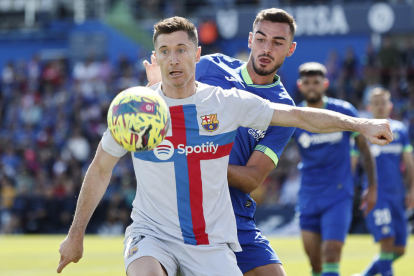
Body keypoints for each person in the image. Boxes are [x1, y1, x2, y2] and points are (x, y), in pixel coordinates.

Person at [58, 17, 392, 276]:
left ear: (197, 55)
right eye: (164, 51)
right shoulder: (134, 111)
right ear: (155, 59)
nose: (173, 59)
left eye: (181, 50)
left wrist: (360, 124)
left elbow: (299, 116)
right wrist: (75, 235)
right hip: (153, 233)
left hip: (211, 242)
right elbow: (101, 168)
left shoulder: (226, 103)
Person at [145, 8, 297, 276]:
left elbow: (252, 178)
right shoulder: (210, 66)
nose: (267, 48)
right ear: (250, 40)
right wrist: (156, 88)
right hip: (181, 207)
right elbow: (160, 111)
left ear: (291, 49)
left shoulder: (283, 107)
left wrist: (197, 158)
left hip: (233, 213)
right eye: (261, 39)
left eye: (277, 42)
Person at [293, 62, 378, 276]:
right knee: (315, 263)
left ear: (325, 84)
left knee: (331, 256)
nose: (312, 87)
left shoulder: (343, 111)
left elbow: (365, 152)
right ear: (300, 85)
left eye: (316, 82)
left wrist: (373, 186)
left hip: (338, 195)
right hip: (308, 196)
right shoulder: (293, 116)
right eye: (307, 82)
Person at [351, 88, 414, 276]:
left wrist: (412, 188)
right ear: (369, 107)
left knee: (400, 248)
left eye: (383, 103)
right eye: (375, 103)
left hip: (398, 195)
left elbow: (408, 162)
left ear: (390, 106)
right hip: (376, 196)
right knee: (387, 241)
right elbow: (353, 162)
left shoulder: (400, 130)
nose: (380, 107)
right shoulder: (363, 131)